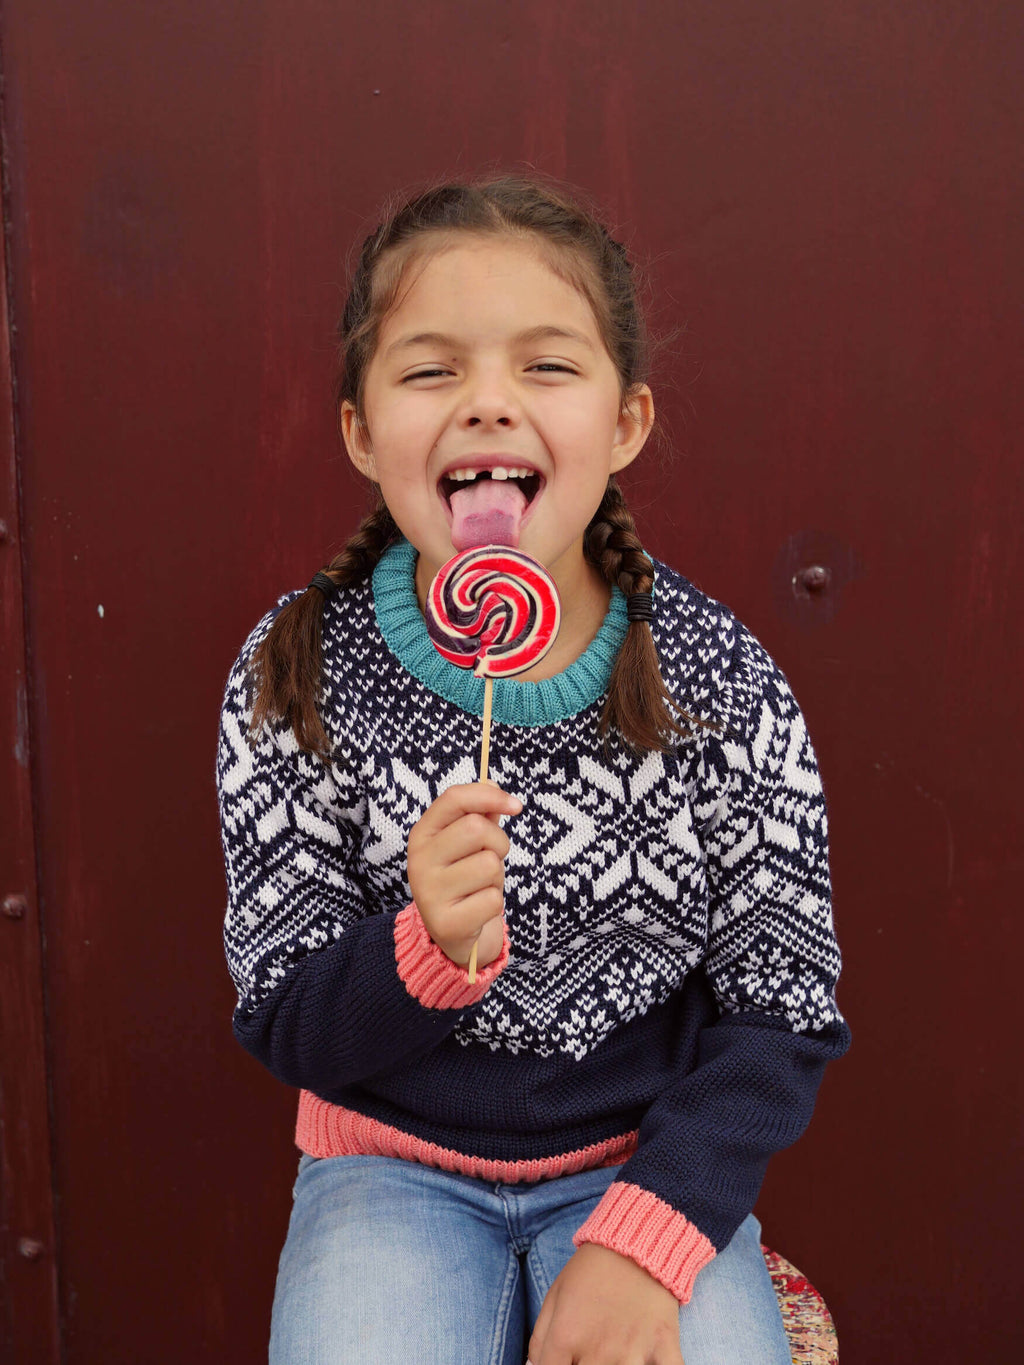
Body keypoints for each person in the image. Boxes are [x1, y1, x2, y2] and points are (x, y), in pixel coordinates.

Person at [216, 174, 850, 1365]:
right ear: (360, 429)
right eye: (429, 370)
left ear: (624, 423)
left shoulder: (716, 680)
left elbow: (784, 1013)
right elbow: (284, 1019)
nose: (488, 406)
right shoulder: (294, 674)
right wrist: (419, 952)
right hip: (387, 1170)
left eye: (546, 367)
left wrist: (646, 1243)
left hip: (641, 1166)